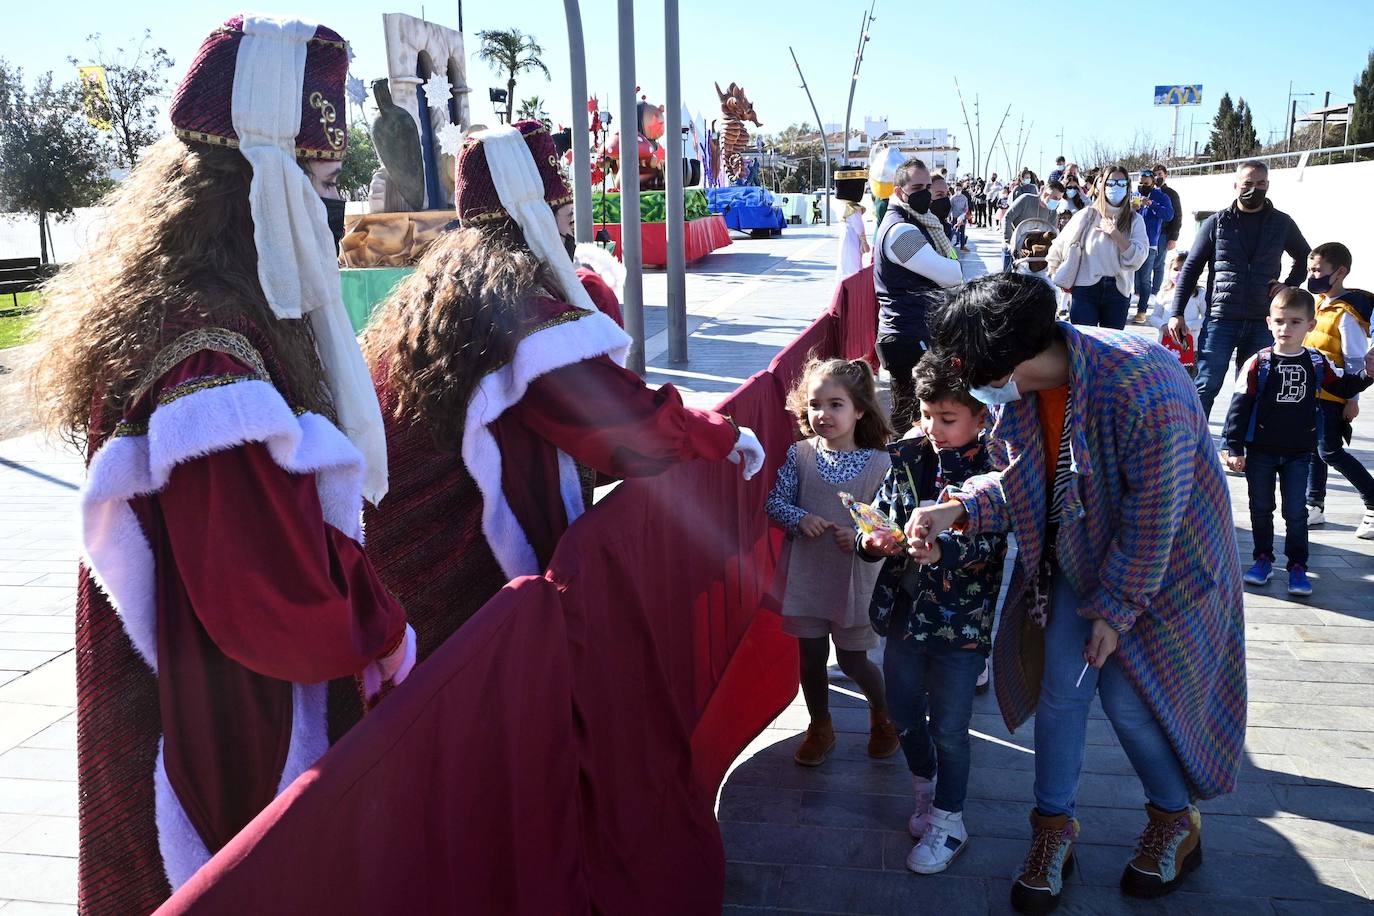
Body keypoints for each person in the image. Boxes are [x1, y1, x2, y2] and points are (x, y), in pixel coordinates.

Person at [28, 16, 416, 911]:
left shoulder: (193, 304)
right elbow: (266, 596)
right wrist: (383, 629)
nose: (333, 212)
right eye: (320, 184)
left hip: (197, 675)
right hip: (221, 708)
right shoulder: (210, 355)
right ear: (261, 190)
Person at [360, 120, 765, 667]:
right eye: (564, 221)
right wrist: (721, 432)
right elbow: (616, 423)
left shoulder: (447, 288)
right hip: (460, 559)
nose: (570, 236)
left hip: (406, 558)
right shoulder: (519, 305)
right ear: (534, 218)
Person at [912, 272, 1246, 912]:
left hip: (1172, 567)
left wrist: (1116, 613)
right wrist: (954, 511)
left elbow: (1156, 517)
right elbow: (1022, 483)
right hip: (1082, 554)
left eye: (970, 366)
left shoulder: (1144, 385)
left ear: (1009, 361)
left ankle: (1176, 821)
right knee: (1062, 689)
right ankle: (1053, 830)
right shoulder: (1022, 394)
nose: (968, 381)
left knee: (1128, 700)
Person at [858, 356, 1007, 875]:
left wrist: (946, 553)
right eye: (926, 415)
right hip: (903, 613)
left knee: (949, 726)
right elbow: (884, 510)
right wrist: (872, 539)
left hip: (960, 623)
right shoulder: (906, 454)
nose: (933, 428)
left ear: (982, 416)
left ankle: (950, 818)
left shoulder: (996, 469)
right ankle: (925, 789)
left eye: (947, 418)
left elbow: (993, 543)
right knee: (900, 710)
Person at [764, 358, 898, 766]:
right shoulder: (799, 454)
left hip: (854, 578)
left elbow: (889, 525)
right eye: (815, 404)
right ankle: (820, 725)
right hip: (807, 574)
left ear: (860, 409)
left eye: (836, 404)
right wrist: (800, 518)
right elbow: (775, 502)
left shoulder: (880, 464)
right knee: (810, 656)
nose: (823, 414)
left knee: (854, 658)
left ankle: (882, 714)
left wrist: (861, 537)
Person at [1223, 288, 1373, 594]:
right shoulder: (1258, 362)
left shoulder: (1317, 362)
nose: (1285, 328)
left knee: (1296, 512)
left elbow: (1344, 386)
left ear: (1311, 325)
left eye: (1294, 322)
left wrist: (1368, 375)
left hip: (1300, 453)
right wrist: (1233, 446)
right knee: (1261, 508)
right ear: (1268, 322)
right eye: (1279, 321)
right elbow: (1239, 406)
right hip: (1261, 452)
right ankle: (1263, 558)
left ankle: (1297, 566)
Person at [1167, 160, 1311, 419]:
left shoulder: (1282, 223)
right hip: (1221, 319)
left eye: (1260, 184)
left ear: (1268, 186)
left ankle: (1237, 447)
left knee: (1252, 389)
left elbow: (1305, 257)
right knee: (1206, 385)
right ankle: (1194, 445)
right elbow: (1191, 268)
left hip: (1262, 319)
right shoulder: (1216, 222)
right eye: (1248, 184)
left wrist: (1289, 285)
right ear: (1236, 185)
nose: (1254, 189)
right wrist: (1176, 312)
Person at [873, 157, 964, 434]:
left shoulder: (919, 222)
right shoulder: (901, 231)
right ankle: (904, 475)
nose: (924, 193)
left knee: (916, 417)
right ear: (899, 192)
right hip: (907, 337)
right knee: (910, 423)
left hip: (913, 332)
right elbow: (951, 275)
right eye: (917, 187)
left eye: (928, 186)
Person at [1301, 243, 1374, 537]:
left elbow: (1356, 361)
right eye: (1310, 269)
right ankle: (1313, 504)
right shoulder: (1319, 303)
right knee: (1313, 451)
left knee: (1330, 451)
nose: (1312, 275)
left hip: (1333, 396)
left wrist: (1352, 400)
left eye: (1318, 270)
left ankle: (1371, 501)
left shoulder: (1347, 314)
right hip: (1312, 393)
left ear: (1340, 272)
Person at [1045, 165, 1149, 329]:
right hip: (1085, 289)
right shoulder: (1088, 214)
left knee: (1111, 349)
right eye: (1111, 183)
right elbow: (1059, 244)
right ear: (1103, 186)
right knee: (1084, 345)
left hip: (1118, 291)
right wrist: (1053, 269)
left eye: (1121, 183)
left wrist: (1114, 233)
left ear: (1128, 186)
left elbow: (1137, 259)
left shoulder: (1135, 220)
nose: (1116, 187)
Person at [1147, 250, 1205, 376]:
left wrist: (1189, 325)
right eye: (1175, 269)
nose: (1179, 273)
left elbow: (1206, 319)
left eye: (1184, 269)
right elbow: (1153, 317)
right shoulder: (1164, 292)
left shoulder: (1199, 294)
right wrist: (1163, 325)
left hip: (1189, 348)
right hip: (1166, 346)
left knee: (1188, 379)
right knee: (1165, 378)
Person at [1130, 169, 1176, 324]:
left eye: (1146, 182)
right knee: (1130, 277)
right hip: (1130, 241)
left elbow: (1169, 215)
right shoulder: (1134, 195)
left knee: (1144, 278)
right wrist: (1131, 209)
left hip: (1150, 243)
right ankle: (1127, 304)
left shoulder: (1161, 196)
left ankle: (1142, 310)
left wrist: (1151, 204)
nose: (1142, 185)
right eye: (1140, 182)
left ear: (1153, 182)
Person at [1003, 179, 1064, 270]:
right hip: (1015, 243)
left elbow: (1052, 232)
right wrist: (1009, 242)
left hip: (1037, 250)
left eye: (1059, 199)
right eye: (1055, 198)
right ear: (1046, 194)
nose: (1057, 201)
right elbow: (1007, 218)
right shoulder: (1026, 199)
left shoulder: (1053, 211)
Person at [837, 199, 871, 278]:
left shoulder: (844, 206)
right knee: (853, 265)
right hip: (853, 239)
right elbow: (859, 227)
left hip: (846, 238)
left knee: (845, 264)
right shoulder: (854, 209)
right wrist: (864, 242)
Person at [949, 182, 970, 251]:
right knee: (953, 231)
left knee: (962, 232)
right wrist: (949, 216)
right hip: (954, 217)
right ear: (954, 189)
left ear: (961, 189)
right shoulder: (952, 198)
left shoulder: (964, 198)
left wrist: (963, 215)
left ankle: (962, 246)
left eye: (959, 189)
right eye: (957, 189)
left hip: (962, 218)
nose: (958, 190)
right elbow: (950, 208)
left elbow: (966, 208)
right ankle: (948, 245)